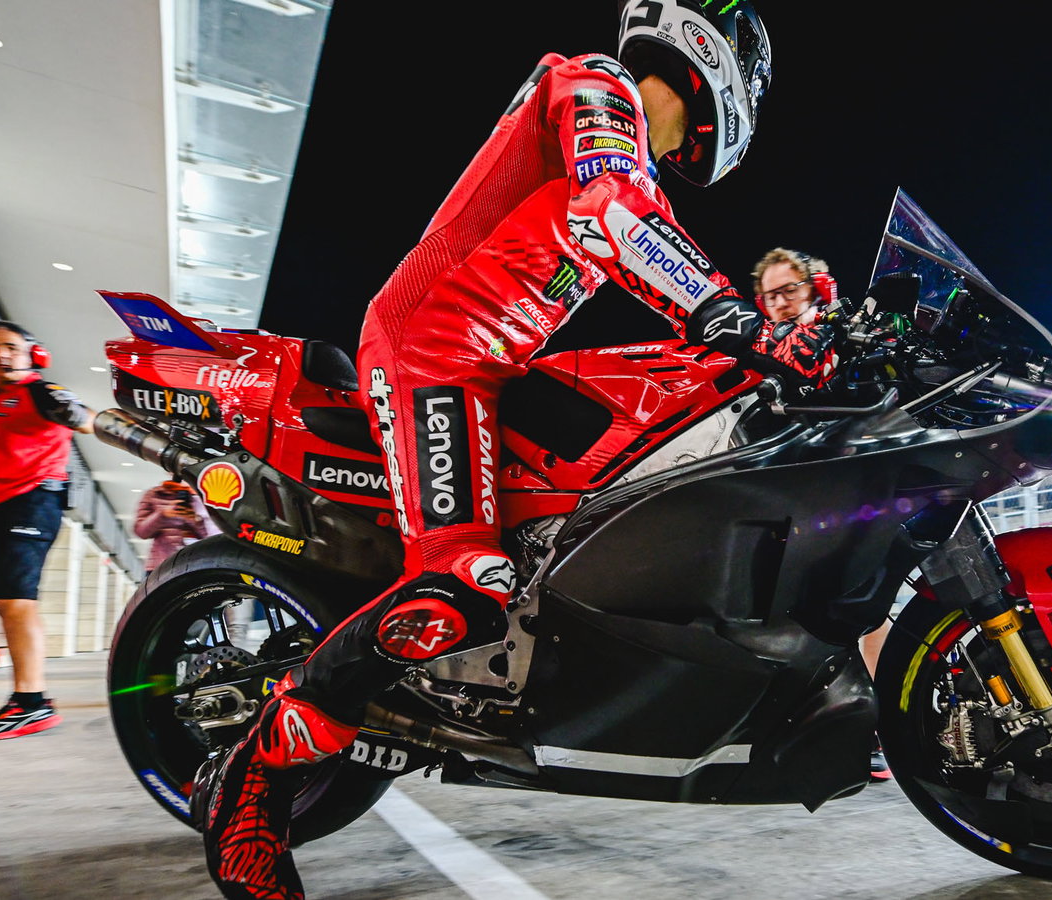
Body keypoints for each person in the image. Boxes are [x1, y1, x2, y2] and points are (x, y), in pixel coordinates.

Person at [194, 4, 837, 898]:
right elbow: (611, 211)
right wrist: (732, 315)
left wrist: (791, 350)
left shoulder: (638, 176)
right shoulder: (595, 84)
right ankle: (254, 783)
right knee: (466, 581)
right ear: (712, 52)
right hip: (430, 354)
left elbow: (639, 241)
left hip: (498, 365)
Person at [753, 246, 892, 781]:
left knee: (866, 606)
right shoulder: (770, 338)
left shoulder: (840, 326)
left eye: (789, 290)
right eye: (770, 295)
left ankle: (872, 723)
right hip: (790, 484)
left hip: (839, 479)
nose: (780, 303)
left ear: (815, 287)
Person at [0, 321, 94, 740]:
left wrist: (77, 413)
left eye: (11, 347)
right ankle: (28, 701)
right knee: (5, 604)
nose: (2, 355)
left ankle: (30, 705)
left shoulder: (39, 392)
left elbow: (83, 419)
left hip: (28, 502)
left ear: (33, 353)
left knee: (18, 603)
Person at [134, 480, 218, 575]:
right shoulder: (155, 494)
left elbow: (210, 535)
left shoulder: (200, 496)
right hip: (161, 565)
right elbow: (141, 532)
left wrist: (193, 519)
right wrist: (162, 514)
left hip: (193, 564)